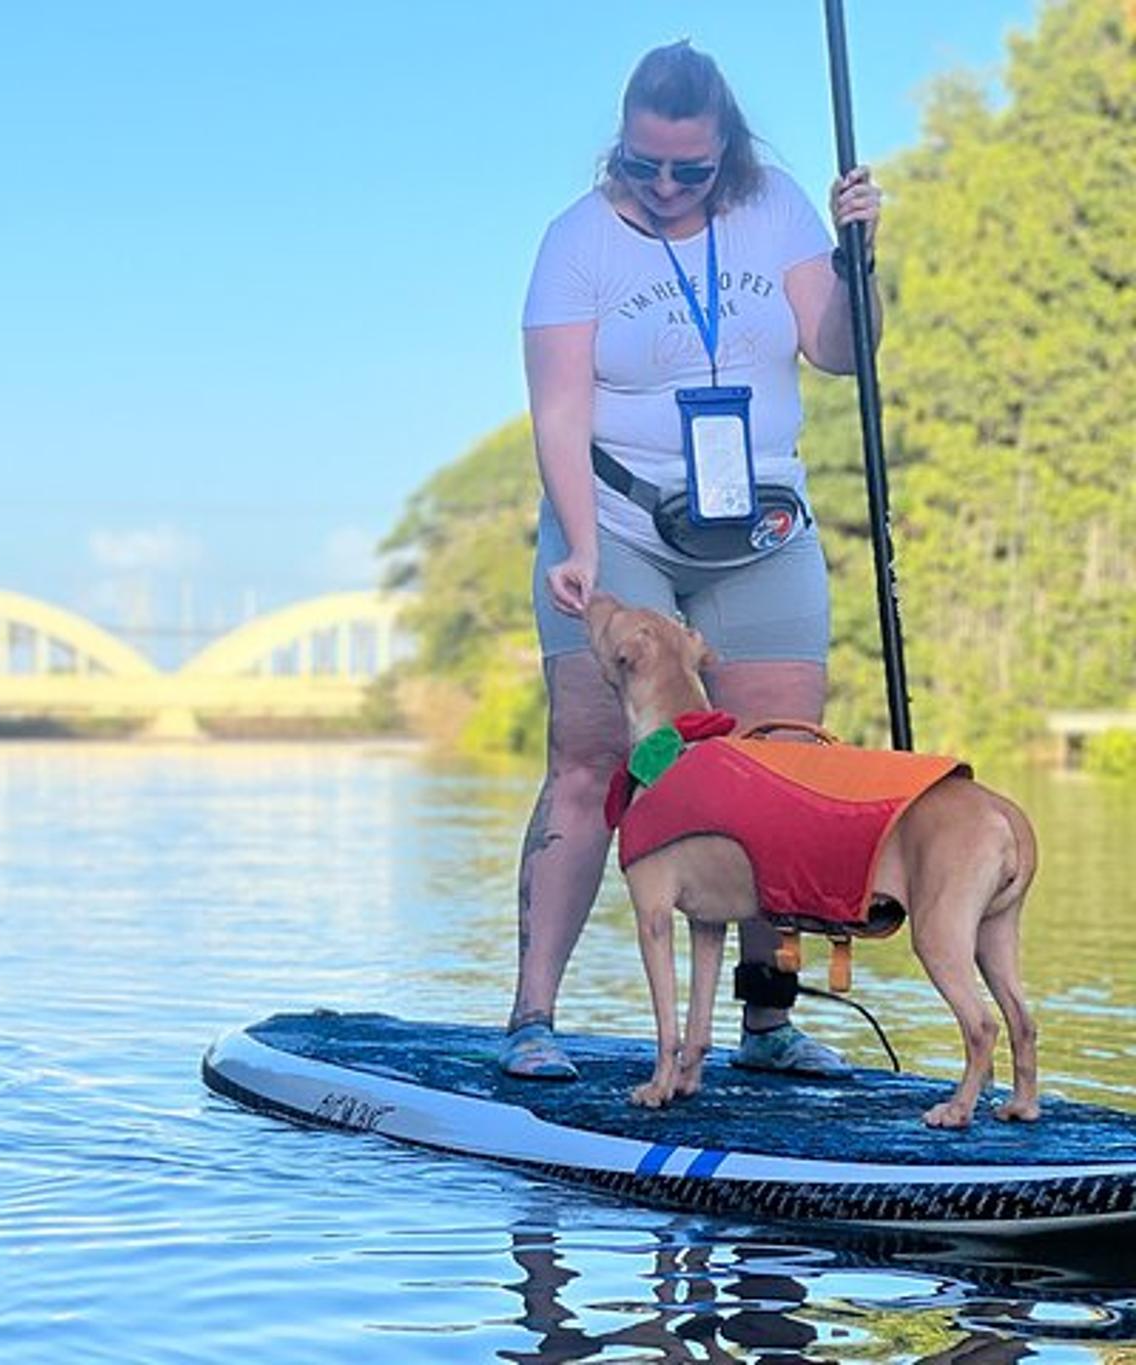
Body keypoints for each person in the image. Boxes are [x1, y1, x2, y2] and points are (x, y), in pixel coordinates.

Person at [503, 41, 885, 1080]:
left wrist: (859, 263)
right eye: (642, 165)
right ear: (617, 151)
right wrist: (579, 544)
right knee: (590, 763)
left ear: (727, 153)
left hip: (759, 526)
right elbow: (559, 408)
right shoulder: (574, 242)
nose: (664, 187)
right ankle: (532, 1020)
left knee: (774, 760)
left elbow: (843, 350)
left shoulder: (778, 212)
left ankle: (765, 1023)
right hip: (618, 523)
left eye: (688, 169)